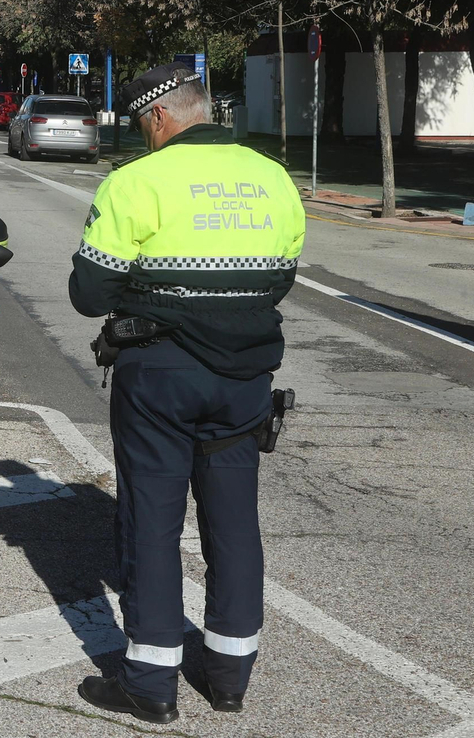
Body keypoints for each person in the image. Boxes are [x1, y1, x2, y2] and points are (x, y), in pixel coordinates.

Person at [67, 64, 306, 724]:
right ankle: (230, 677)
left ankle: (150, 682)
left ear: (159, 118)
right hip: (246, 378)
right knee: (233, 521)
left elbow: (88, 295)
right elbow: (280, 276)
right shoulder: (273, 178)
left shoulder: (134, 183)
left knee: (152, 520)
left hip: (160, 374)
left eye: (145, 126)